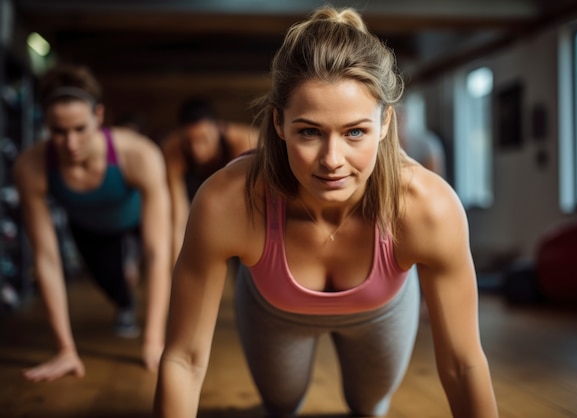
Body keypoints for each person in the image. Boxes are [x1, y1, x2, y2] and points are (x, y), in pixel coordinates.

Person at [155, 6, 498, 418]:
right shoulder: (228, 200)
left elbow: (463, 365)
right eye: (309, 132)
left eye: (355, 131)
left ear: (385, 122)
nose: (332, 160)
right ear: (279, 123)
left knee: (368, 408)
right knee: (281, 407)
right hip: (273, 312)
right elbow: (184, 360)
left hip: (381, 313)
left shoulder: (427, 206)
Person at [13, 64, 171, 382]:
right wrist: (65, 349)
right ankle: (124, 304)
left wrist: (154, 342)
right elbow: (46, 260)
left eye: (80, 129)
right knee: (116, 290)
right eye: (59, 131)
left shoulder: (138, 154)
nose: (70, 143)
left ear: (98, 116)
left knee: (167, 263)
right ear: (46, 123)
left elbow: (157, 254)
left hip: (137, 219)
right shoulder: (31, 166)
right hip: (91, 229)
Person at [160, 97, 259, 262]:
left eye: (203, 139)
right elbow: (178, 214)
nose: (197, 149)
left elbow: (247, 208)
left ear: (219, 128)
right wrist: (176, 265)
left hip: (237, 204)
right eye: (190, 141)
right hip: (196, 196)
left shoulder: (244, 142)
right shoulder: (174, 149)